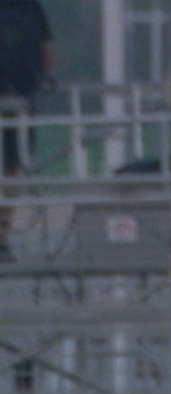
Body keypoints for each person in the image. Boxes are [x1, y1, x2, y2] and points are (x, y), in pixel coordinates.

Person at [0, 0, 51, 259]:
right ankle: (2, 237)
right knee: (12, 169)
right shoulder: (32, 7)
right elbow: (46, 50)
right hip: (21, 99)